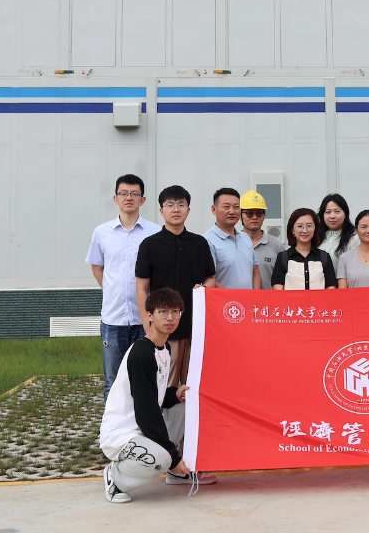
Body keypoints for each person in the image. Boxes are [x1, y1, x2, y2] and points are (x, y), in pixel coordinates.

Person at [100, 287, 204, 503]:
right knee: (161, 459)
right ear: (149, 315)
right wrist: (173, 456)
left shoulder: (163, 349)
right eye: (163, 312)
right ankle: (116, 478)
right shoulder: (141, 353)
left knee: (191, 406)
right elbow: (146, 412)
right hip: (123, 434)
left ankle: (176, 473)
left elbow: (154, 396)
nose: (170, 318)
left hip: (142, 427)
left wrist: (174, 395)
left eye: (175, 312)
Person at [135, 185, 217, 389]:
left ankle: (189, 413)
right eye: (170, 205)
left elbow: (211, 277)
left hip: (195, 325)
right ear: (161, 211)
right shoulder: (149, 245)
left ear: (188, 210)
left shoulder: (200, 243)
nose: (176, 209)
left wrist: (203, 287)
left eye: (181, 204)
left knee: (193, 385)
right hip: (165, 326)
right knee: (166, 386)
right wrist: (148, 325)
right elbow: (142, 288)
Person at [87, 174, 159, 400]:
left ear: (143, 200)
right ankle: (112, 424)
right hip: (113, 318)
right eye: (124, 193)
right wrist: (110, 290)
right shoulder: (102, 232)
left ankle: (141, 421)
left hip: (144, 318)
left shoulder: (154, 232)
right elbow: (97, 266)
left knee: (145, 379)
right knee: (113, 380)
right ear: (115, 198)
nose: (129, 197)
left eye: (134, 194)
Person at [203, 188, 261, 290]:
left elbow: (255, 271)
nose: (232, 211)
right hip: (223, 299)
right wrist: (232, 297)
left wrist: (255, 296)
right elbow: (210, 279)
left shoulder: (245, 237)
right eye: (226, 207)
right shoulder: (206, 240)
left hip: (249, 299)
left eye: (236, 207)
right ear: (214, 209)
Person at [273, 208, 337, 290]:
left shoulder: (324, 257)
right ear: (292, 230)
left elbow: (331, 287)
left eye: (309, 226)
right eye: (299, 226)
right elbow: (278, 289)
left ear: (315, 229)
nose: (304, 230)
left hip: (319, 299)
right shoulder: (283, 257)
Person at [240, 190, 286, 290]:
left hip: (269, 299)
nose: (254, 217)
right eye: (249, 213)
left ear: (264, 216)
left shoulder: (277, 246)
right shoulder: (232, 243)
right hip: (237, 299)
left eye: (259, 214)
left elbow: (284, 279)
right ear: (240, 215)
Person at [317, 193, 359, 262]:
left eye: (337, 211)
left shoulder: (354, 239)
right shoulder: (316, 238)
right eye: (328, 212)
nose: (332, 216)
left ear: (345, 214)